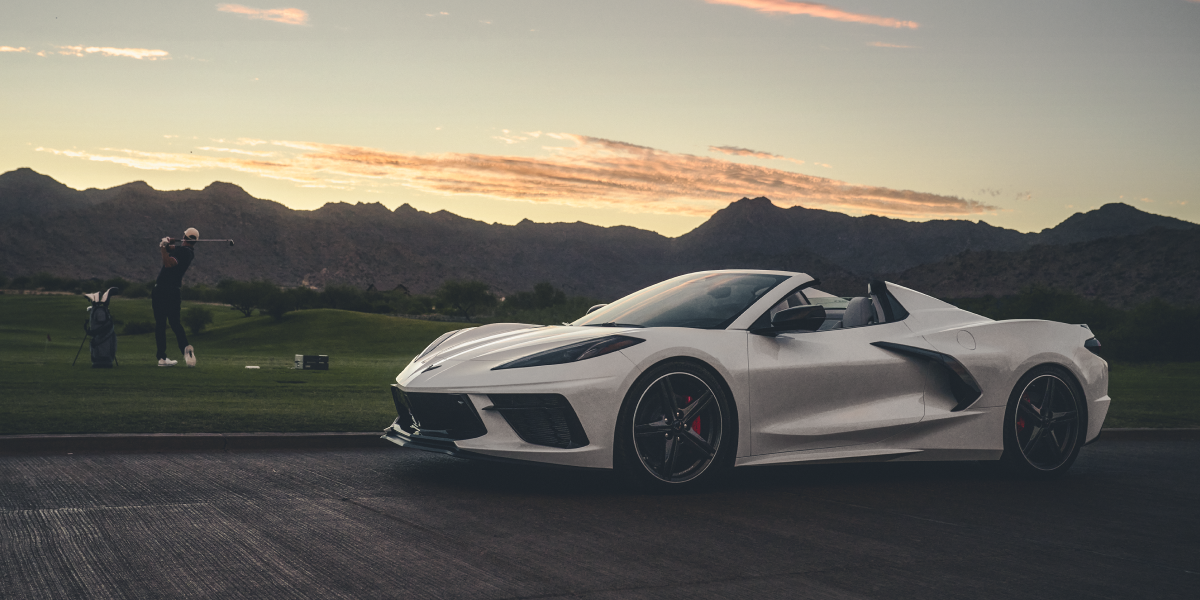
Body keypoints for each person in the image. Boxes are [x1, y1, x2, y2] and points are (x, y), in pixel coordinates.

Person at [153, 228, 198, 367]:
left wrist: (162, 247)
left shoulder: (182, 252)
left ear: (184, 237)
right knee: (175, 323)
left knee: (160, 324)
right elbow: (173, 249)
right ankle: (185, 348)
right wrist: (167, 244)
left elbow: (168, 263)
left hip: (162, 290)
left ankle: (161, 357)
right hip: (174, 292)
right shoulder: (188, 252)